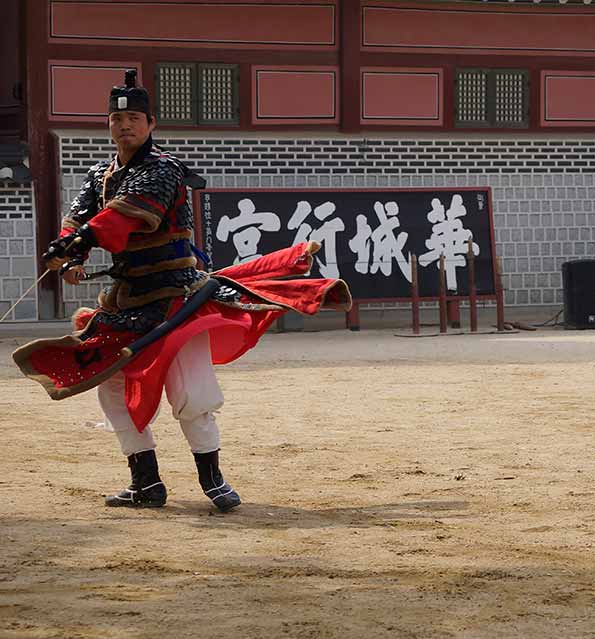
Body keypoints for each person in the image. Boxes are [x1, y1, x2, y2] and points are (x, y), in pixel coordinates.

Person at [14, 70, 351, 512]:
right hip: (122, 304)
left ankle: (212, 481)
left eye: (135, 118)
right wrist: (70, 254)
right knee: (111, 388)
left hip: (176, 298)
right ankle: (145, 483)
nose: (125, 126)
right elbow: (79, 220)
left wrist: (76, 244)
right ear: (108, 126)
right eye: (118, 120)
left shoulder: (163, 171)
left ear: (151, 124)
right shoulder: (99, 174)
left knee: (191, 392)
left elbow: (121, 217)